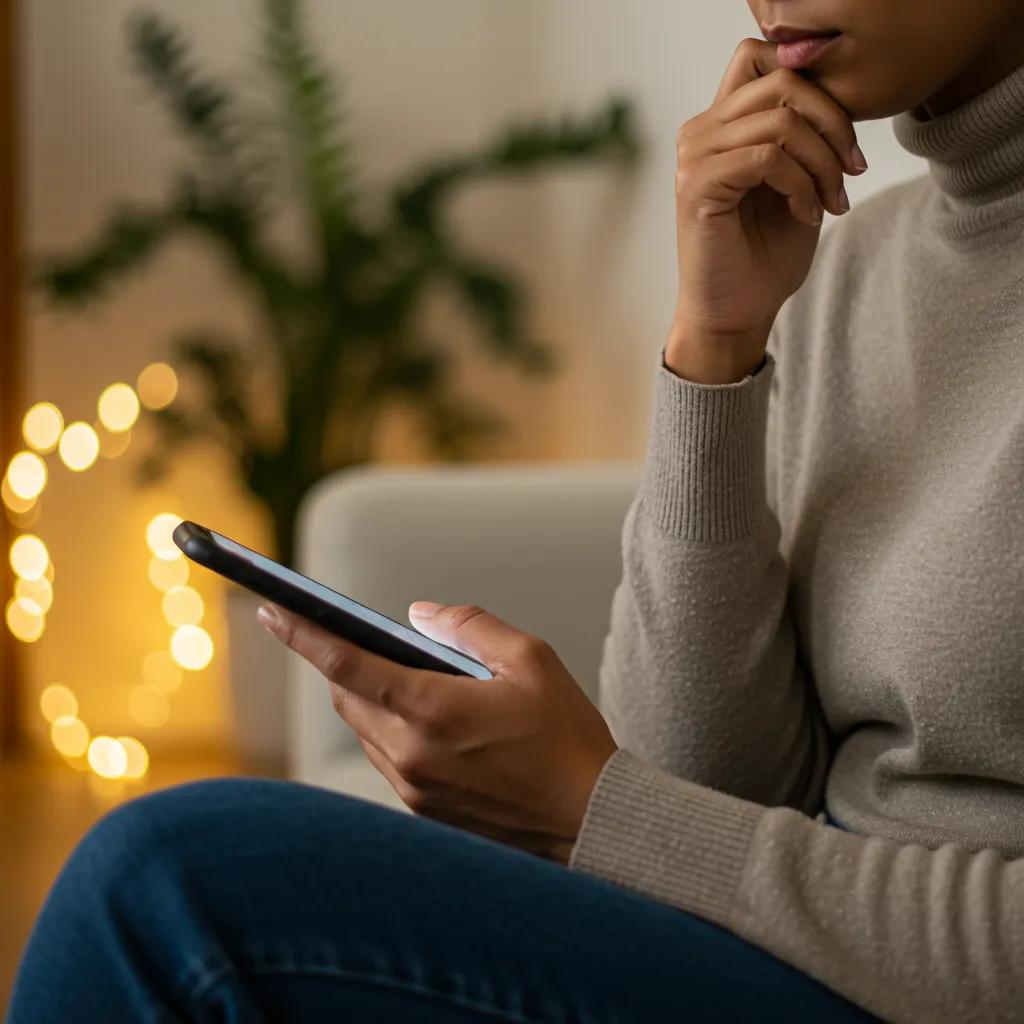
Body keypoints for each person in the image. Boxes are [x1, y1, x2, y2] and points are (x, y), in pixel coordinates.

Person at [10, 0, 1024, 1020]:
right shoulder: (849, 266)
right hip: (807, 955)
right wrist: (714, 342)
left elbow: (657, 827)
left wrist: (589, 805)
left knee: (173, 886)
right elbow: (708, 789)